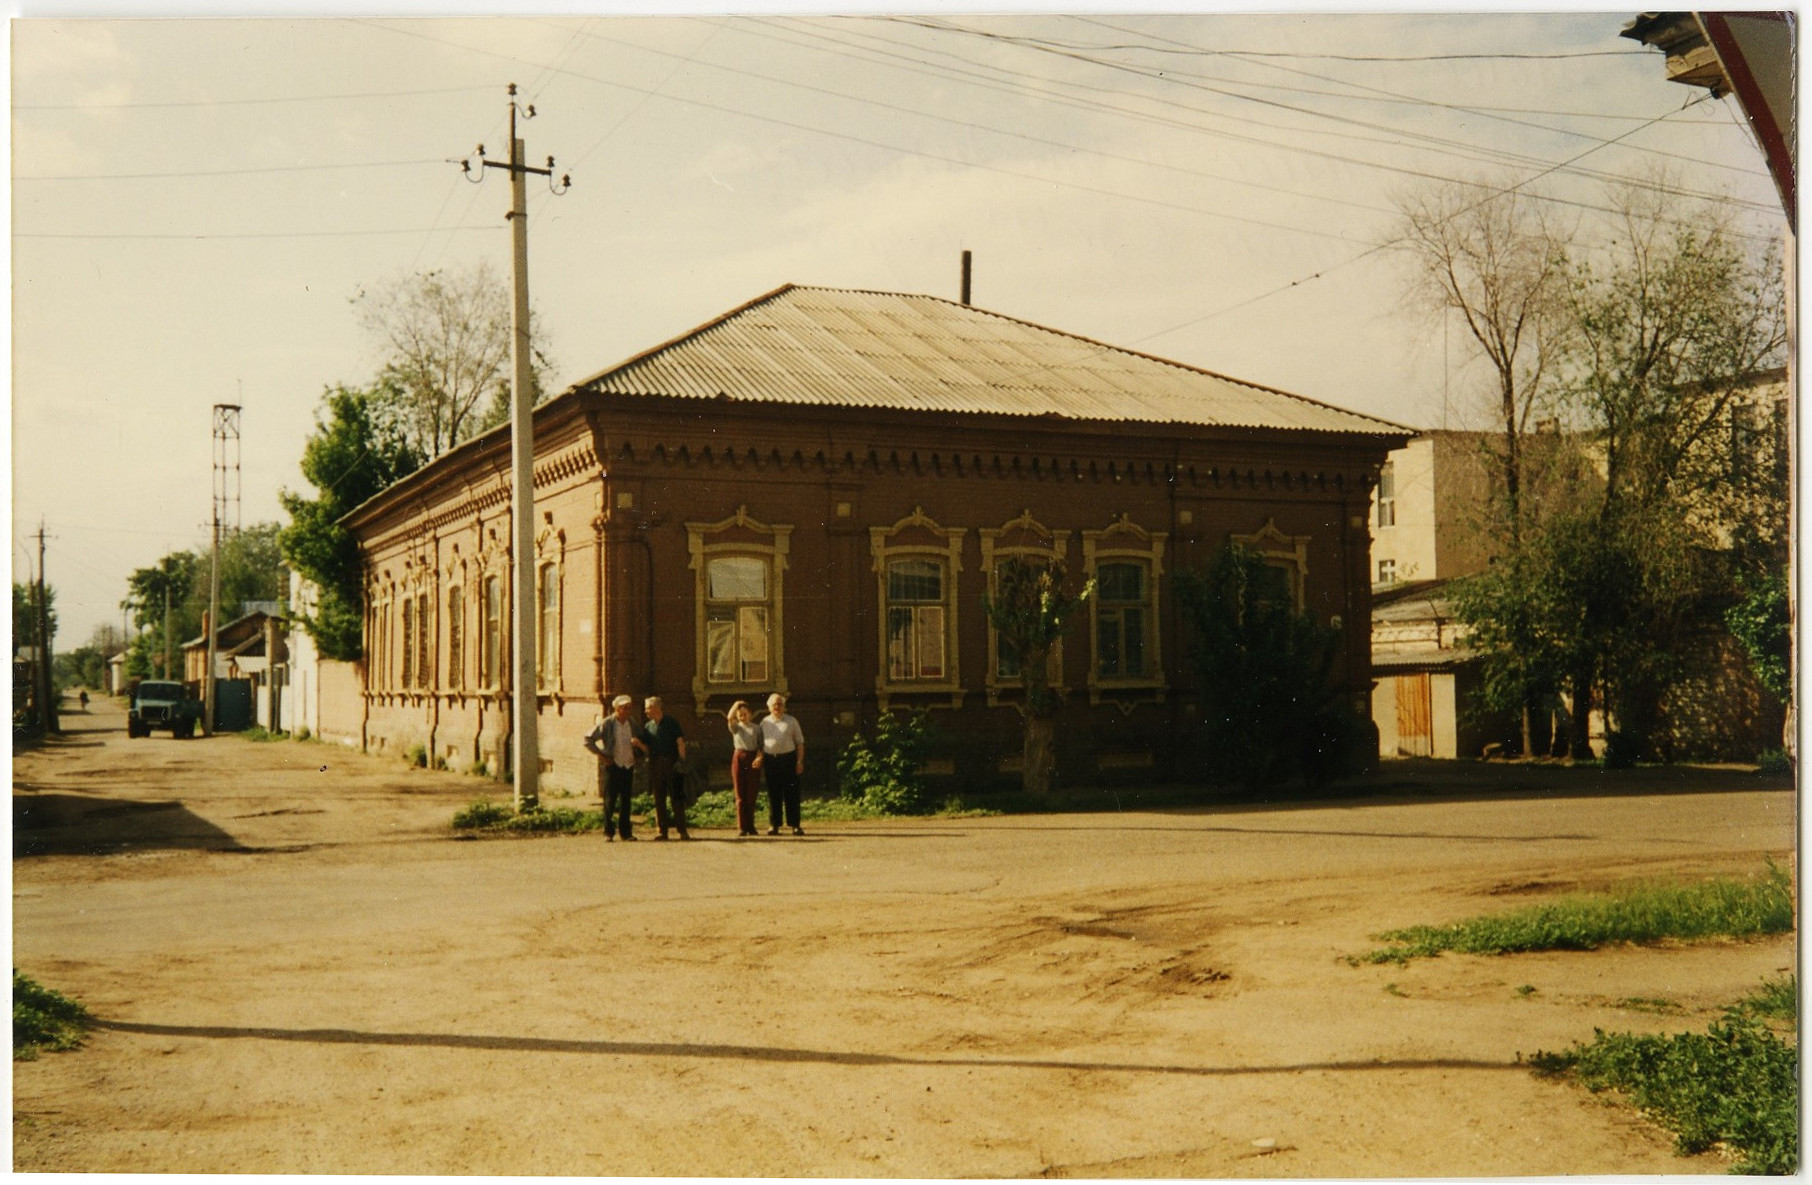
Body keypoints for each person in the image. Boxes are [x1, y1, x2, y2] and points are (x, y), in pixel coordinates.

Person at [583, 695, 645, 841]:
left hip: (628, 764)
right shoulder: (608, 723)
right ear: (617, 708)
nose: (627, 711)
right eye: (624, 708)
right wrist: (602, 756)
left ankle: (626, 832)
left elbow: (642, 739)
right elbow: (588, 739)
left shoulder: (632, 723)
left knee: (626, 800)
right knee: (610, 800)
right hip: (613, 765)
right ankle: (608, 832)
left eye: (629, 708)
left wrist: (638, 754)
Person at [642, 696, 690, 840]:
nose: (646, 711)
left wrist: (681, 761)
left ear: (656, 708)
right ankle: (662, 831)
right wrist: (637, 744)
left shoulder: (671, 723)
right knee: (659, 798)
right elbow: (646, 747)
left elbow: (680, 742)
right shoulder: (648, 726)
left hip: (672, 762)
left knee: (676, 797)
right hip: (656, 763)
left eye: (648, 708)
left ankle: (682, 830)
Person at [759, 692, 806, 836]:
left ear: (784, 706)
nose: (777, 707)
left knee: (792, 793)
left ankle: (795, 825)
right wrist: (759, 758)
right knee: (773, 794)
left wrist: (799, 761)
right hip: (771, 760)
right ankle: (774, 825)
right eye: (774, 705)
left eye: (780, 704)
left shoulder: (792, 721)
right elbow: (759, 744)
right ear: (769, 707)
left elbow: (800, 743)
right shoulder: (764, 723)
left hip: (789, 760)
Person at [725, 700, 764, 837]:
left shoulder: (757, 728)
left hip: (752, 757)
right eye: (740, 715)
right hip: (739, 757)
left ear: (750, 714)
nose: (743, 717)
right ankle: (742, 827)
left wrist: (759, 758)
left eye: (745, 714)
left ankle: (751, 826)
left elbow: (760, 746)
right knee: (740, 795)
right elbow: (729, 718)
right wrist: (735, 705)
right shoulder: (736, 728)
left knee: (751, 794)